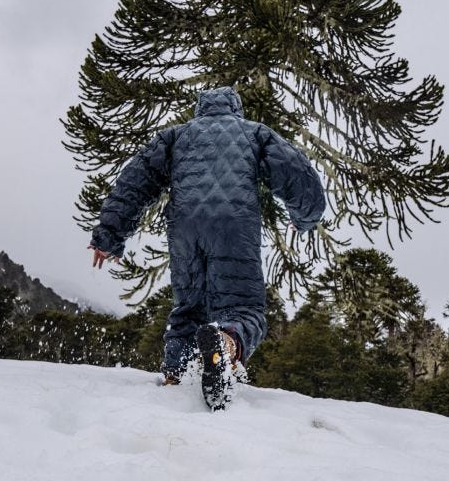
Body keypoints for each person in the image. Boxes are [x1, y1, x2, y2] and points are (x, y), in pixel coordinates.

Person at [88, 86, 325, 409]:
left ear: (200, 110)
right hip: (234, 226)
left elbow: (134, 182)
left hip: (185, 227)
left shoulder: (174, 137)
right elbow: (297, 173)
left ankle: (176, 372)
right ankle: (225, 344)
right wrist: (305, 216)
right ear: (236, 109)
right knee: (244, 307)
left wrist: (109, 236)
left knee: (189, 306)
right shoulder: (254, 133)